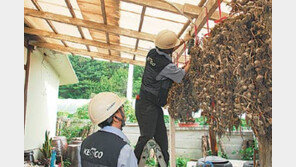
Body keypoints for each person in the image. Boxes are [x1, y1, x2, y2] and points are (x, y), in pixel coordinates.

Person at [134, 29, 193, 166]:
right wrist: (192, 60)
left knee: (162, 139)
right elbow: (180, 76)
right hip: (146, 105)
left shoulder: (153, 53)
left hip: (151, 104)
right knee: (146, 137)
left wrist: (184, 40)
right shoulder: (165, 65)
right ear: (169, 49)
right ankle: (131, 163)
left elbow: (168, 49)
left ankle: (164, 163)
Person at [80, 92, 138, 167]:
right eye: (121, 107)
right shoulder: (124, 150)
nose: (124, 111)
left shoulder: (86, 143)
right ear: (116, 117)